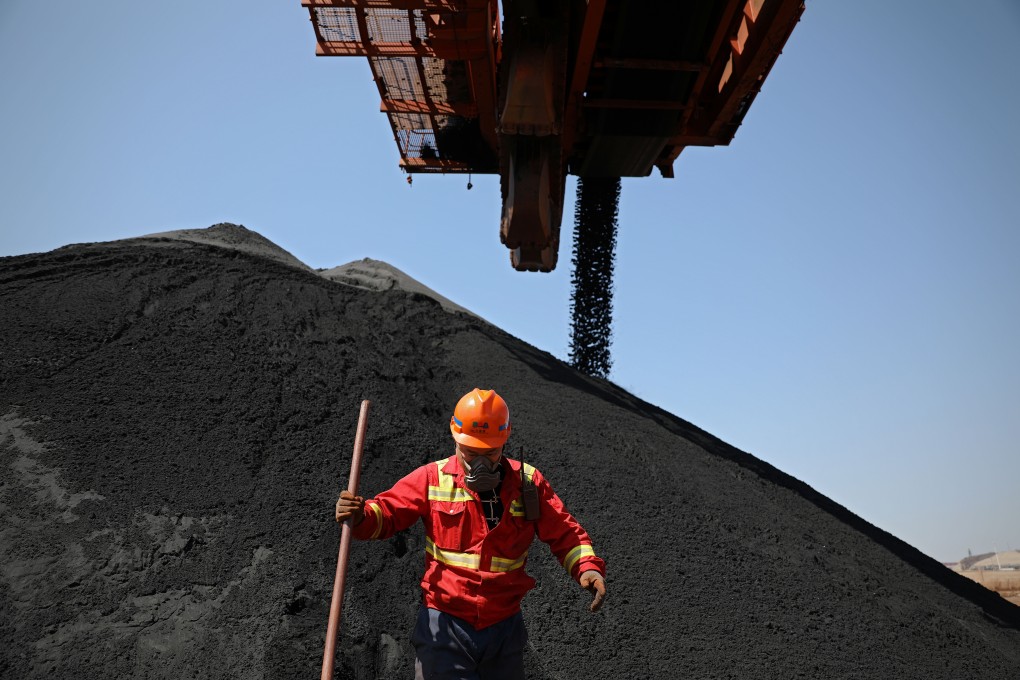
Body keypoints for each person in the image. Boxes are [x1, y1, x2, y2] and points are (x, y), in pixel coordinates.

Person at [335, 388, 607, 680]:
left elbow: (565, 532)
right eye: (471, 452)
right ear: (455, 437)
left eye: (489, 453)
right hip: (445, 626)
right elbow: (386, 513)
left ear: (505, 438)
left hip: (504, 629)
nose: (480, 462)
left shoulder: (528, 484)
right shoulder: (432, 479)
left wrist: (586, 568)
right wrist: (361, 515)